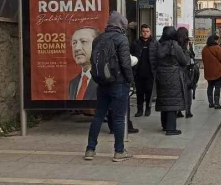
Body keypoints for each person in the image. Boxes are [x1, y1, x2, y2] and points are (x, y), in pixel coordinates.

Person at [85, 11, 134, 161]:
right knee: (119, 117)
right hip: (118, 83)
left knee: (99, 115)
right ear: (121, 25)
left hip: (102, 82)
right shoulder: (121, 39)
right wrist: (130, 80)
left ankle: (90, 150)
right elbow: (126, 64)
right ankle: (119, 151)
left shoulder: (98, 39)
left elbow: (93, 60)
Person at [155, 26, 189, 135]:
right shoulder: (175, 46)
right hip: (174, 76)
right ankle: (171, 128)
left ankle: (164, 125)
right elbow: (184, 61)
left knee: (165, 99)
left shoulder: (160, 45)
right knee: (172, 101)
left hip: (161, 75)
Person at [130, 24, 158, 117]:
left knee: (149, 93)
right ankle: (139, 110)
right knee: (139, 93)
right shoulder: (136, 43)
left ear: (150, 32)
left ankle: (148, 109)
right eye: (143, 31)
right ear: (141, 32)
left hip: (150, 72)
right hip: (138, 73)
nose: (145, 33)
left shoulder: (155, 43)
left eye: (147, 31)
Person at [68, 27, 99, 100]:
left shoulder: (105, 81)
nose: (77, 48)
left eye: (83, 41)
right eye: (74, 43)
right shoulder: (73, 83)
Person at [201, 34, 221, 109]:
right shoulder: (217, 48)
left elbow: (204, 60)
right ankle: (216, 103)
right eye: (216, 40)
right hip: (218, 71)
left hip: (208, 71)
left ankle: (210, 103)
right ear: (214, 40)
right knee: (217, 87)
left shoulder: (204, 49)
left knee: (210, 87)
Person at [176, 27, 195, 118]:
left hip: (177, 71)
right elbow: (190, 57)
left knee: (179, 92)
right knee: (187, 91)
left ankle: (179, 110)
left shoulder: (175, 44)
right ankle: (188, 110)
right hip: (186, 71)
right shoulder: (187, 44)